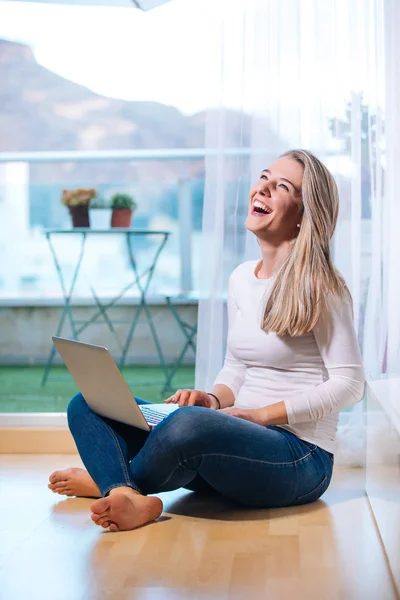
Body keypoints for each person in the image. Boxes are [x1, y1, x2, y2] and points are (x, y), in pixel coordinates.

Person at [48, 149, 365, 532]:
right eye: (263, 177)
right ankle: (124, 489)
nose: (262, 188)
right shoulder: (242, 278)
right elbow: (238, 366)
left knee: (189, 426)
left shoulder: (323, 287)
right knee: (89, 403)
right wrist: (213, 399)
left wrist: (260, 416)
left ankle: (114, 481)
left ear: (304, 213)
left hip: (297, 459)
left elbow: (350, 385)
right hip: (228, 445)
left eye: (281, 186)